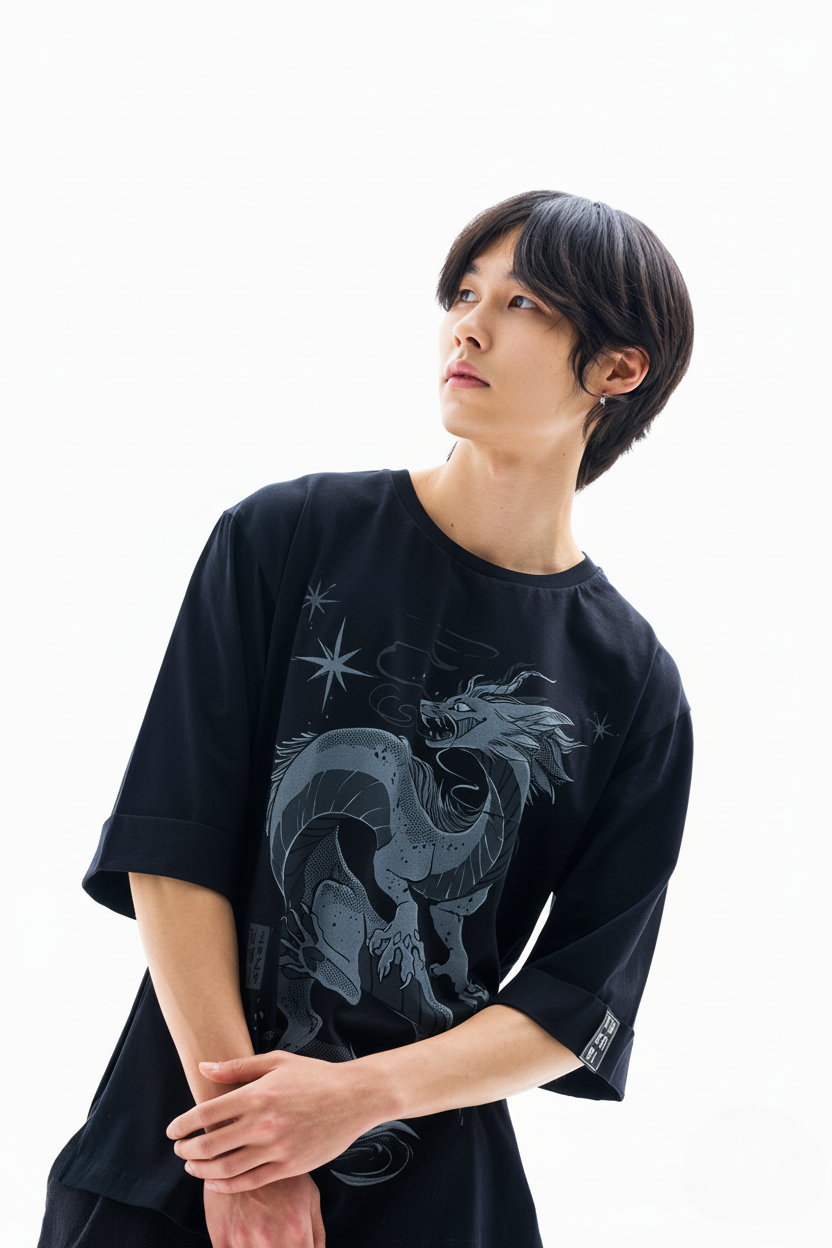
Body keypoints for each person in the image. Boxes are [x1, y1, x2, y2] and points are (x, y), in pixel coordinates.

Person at [38, 188, 695, 1248]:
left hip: (434, 1200)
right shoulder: (286, 536)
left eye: (523, 304)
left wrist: (348, 1100)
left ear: (617, 369)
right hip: (176, 1163)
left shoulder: (633, 687)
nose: (468, 327)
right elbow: (172, 843)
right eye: (463, 294)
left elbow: (577, 1000)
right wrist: (244, 1149)